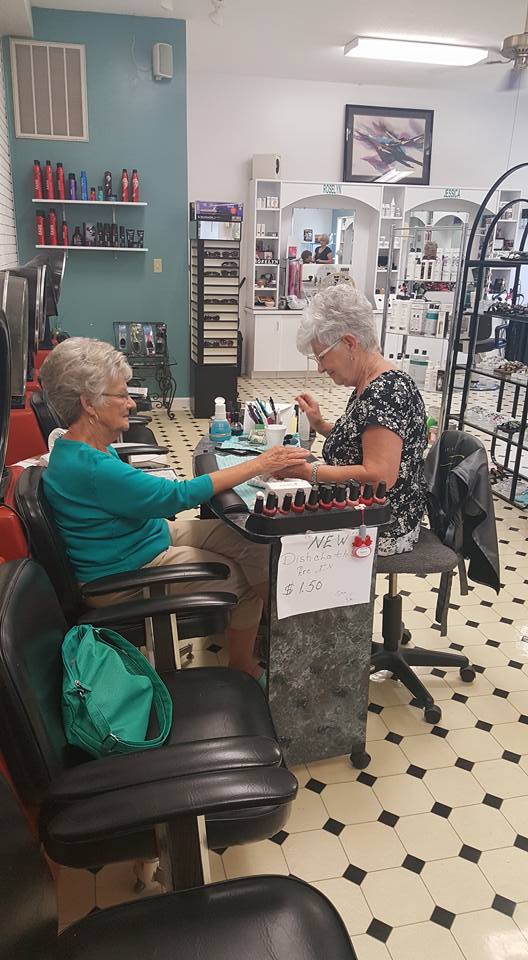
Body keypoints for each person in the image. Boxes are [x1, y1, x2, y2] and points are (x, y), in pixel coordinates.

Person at [40, 338, 308, 683]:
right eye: (120, 395)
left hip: (144, 538)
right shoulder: (90, 466)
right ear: (88, 404)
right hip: (126, 573)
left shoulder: (79, 446)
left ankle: (281, 628)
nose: (130, 402)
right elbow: (176, 496)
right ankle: (243, 662)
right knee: (237, 578)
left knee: (252, 540)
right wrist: (260, 464)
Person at [277, 284, 427, 555]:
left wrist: (307, 472)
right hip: (363, 513)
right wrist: (320, 424)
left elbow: (378, 475)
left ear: (349, 343)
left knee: (279, 543)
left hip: (380, 526)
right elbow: (365, 437)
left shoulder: (386, 392)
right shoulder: (368, 383)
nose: (321, 368)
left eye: (321, 357)